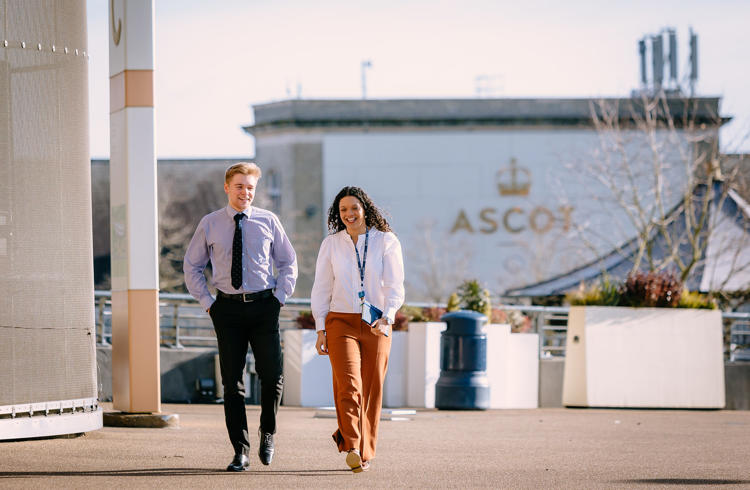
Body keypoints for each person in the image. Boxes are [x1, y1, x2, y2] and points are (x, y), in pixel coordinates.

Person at [184, 162, 297, 472]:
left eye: (250, 187)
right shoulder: (210, 224)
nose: (245, 192)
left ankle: (268, 433)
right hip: (227, 310)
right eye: (240, 186)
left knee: (272, 376)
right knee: (232, 384)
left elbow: (288, 263)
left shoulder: (268, 221)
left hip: (264, 307)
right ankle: (240, 450)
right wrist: (208, 303)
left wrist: (279, 299)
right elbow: (191, 266)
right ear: (227, 188)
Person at [311, 186, 405, 473]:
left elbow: (395, 285)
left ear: (365, 209)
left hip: (376, 322)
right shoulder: (331, 244)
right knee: (348, 385)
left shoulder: (386, 241)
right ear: (337, 215)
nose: (349, 214)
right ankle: (353, 445)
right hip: (340, 322)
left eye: (354, 208)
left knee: (372, 389)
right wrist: (320, 329)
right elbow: (322, 288)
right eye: (343, 210)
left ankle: (363, 452)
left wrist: (388, 316)